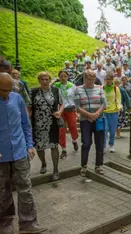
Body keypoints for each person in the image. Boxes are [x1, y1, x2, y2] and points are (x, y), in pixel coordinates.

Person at [0, 73, 48, 234]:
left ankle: (28, 223)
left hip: (20, 151)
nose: (6, 94)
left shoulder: (17, 99)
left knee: (25, 188)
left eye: (8, 90)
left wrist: (29, 145)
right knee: (3, 190)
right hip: (1, 155)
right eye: (2, 90)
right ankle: (5, 224)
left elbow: (26, 125)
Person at [31, 72, 64, 181]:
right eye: (42, 79)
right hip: (38, 125)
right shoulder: (33, 92)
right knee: (40, 147)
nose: (44, 81)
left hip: (52, 124)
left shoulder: (55, 90)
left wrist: (59, 111)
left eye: (46, 79)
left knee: (54, 146)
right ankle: (43, 164)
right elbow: (29, 107)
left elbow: (62, 103)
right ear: (39, 80)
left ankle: (55, 170)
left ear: (50, 80)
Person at [74, 69, 107, 176]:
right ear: (84, 78)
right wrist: (89, 115)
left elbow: (104, 104)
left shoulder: (100, 88)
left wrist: (96, 114)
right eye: (88, 79)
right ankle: (84, 166)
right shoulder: (78, 89)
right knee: (86, 143)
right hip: (85, 121)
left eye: (93, 79)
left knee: (100, 143)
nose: (91, 81)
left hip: (99, 120)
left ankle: (99, 165)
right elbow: (77, 107)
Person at [53, 70, 79, 159]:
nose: (63, 78)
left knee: (73, 127)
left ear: (67, 77)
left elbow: (76, 98)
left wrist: (78, 111)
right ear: (59, 77)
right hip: (60, 111)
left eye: (65, 76)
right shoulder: (55, 86)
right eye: (61, 76)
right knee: (61, 130)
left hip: (70, 109)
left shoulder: (72, 86)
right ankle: (64, 149)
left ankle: (74, 140)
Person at [103, 72, 122, 153]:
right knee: (104, 129)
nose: (108, 81)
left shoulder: (115, 88)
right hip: (104, 112)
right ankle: (103, 145)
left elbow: (118, 99)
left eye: (110, 79)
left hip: (113, 112)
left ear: (112, 80)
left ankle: (111, 145)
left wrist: (119, 107)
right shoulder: (102, 88)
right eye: (107, 79)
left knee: (113, 130)